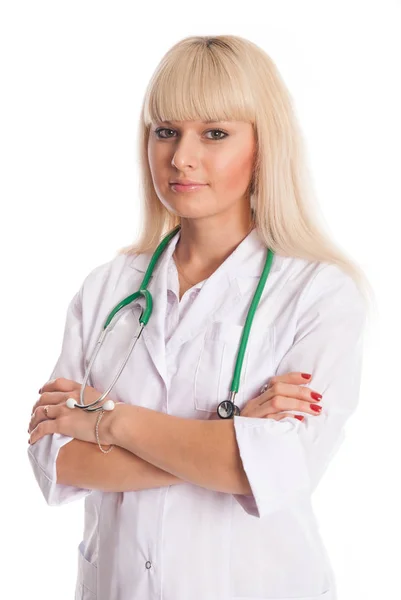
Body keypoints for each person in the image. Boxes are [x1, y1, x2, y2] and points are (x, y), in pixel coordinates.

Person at [27, 35, 375, 600]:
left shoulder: (319, 294)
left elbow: (273, 473)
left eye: (215, 133)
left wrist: (107, 423)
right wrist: (222, 441)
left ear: (265, 145)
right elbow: (57, 459)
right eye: (166, 131)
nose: (181, 156)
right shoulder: (108, 289)